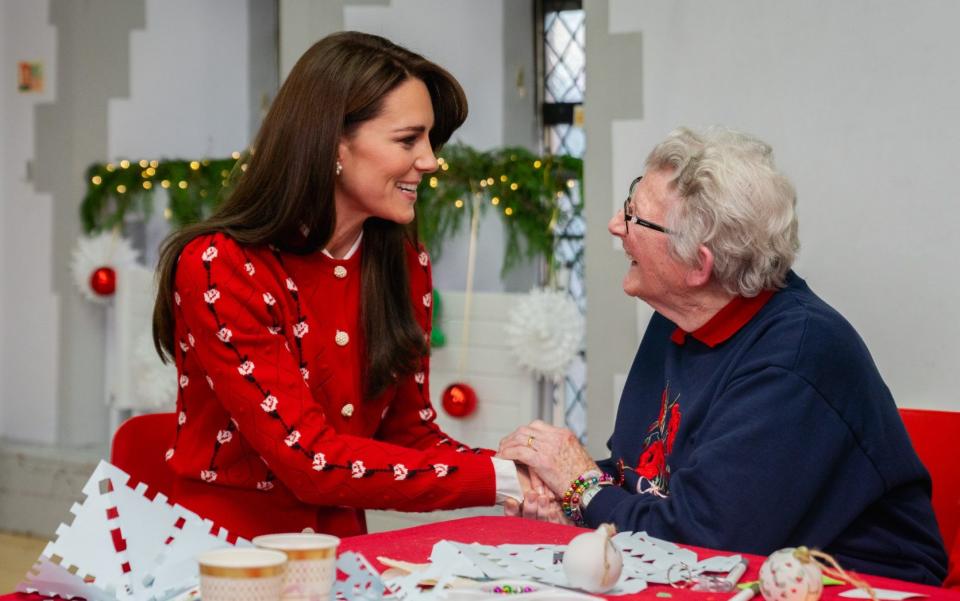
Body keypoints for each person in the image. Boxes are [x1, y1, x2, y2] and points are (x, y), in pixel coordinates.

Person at [499, 127, 948, 585]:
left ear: (699, 264)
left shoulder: (797, 356)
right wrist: (561, 488)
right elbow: (645, 476)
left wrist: (583, 486)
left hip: (859, 585)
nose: (616, 225)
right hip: (718, 571)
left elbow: (702, 538)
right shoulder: (678, 317)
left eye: (635, 217)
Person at [151, 31, 529, 540]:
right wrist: (502, 479)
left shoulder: (402, 260)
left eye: (430, 141)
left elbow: (409, 433)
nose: (430, 161)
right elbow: (311, 462)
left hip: (344, 552)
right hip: (228, 559)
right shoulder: (221, 265)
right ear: (334, 143)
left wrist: (522, 471)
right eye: (407, 139)